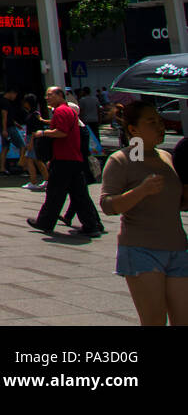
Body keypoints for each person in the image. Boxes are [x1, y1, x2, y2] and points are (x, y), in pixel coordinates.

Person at [98, 100, 188, 325]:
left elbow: (175, 204)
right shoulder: (121, 160)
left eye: (159, 121)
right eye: (151, 122)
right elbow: (108, 205)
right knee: (155, 320)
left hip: (177, 248)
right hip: (141, 251)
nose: (160, 126)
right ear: (133, 130)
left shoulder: (167, 157)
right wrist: (141, 191)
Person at [28, 86, 104, 237]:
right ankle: (91, 225)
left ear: (59, 95)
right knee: (79, 194)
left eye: (50, 95)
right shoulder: (67, 111)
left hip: (64, 159)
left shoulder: (62, 111)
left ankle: (45, 222)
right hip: (73, 159)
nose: (47, 97)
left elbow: (61, 132)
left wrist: (42, 133)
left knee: (55, 193)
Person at [20, 93, 50, 191]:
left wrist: (30, 142)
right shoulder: (34, 113)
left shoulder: (34, 114)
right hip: (33, 138)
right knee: (38, 160)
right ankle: (46, 179)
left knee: (31, 160)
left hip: (33, 138)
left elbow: (34, 130)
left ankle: (33, 181)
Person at [0, 89, 26, 177]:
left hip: (7, 127)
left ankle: (2, 169)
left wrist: (15, 124)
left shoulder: (2, 101)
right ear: (11, 92)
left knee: (5, 148)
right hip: (9, 128)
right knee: (22, 146)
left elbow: (7, 117)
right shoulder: (5, 102)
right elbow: (4, 116)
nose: (15, 97)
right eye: (15, 95)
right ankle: (22, 167)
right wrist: (5, 129)